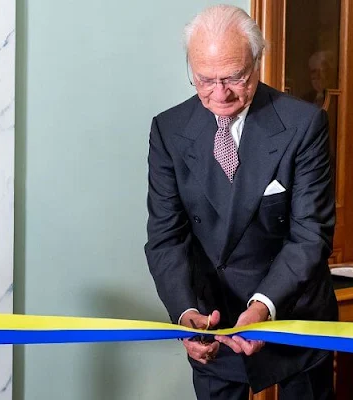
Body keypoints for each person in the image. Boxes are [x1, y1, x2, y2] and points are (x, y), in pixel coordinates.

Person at [144, 5, 338, 400]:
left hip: (293, 309)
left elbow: (310, 235)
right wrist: (185, 316)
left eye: (235, 77)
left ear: (257, 62)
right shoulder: (168, 130)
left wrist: (264, 305)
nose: (220, 94)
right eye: (205, 79)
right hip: (213, 319)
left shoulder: (303, 125)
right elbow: (166, 237)